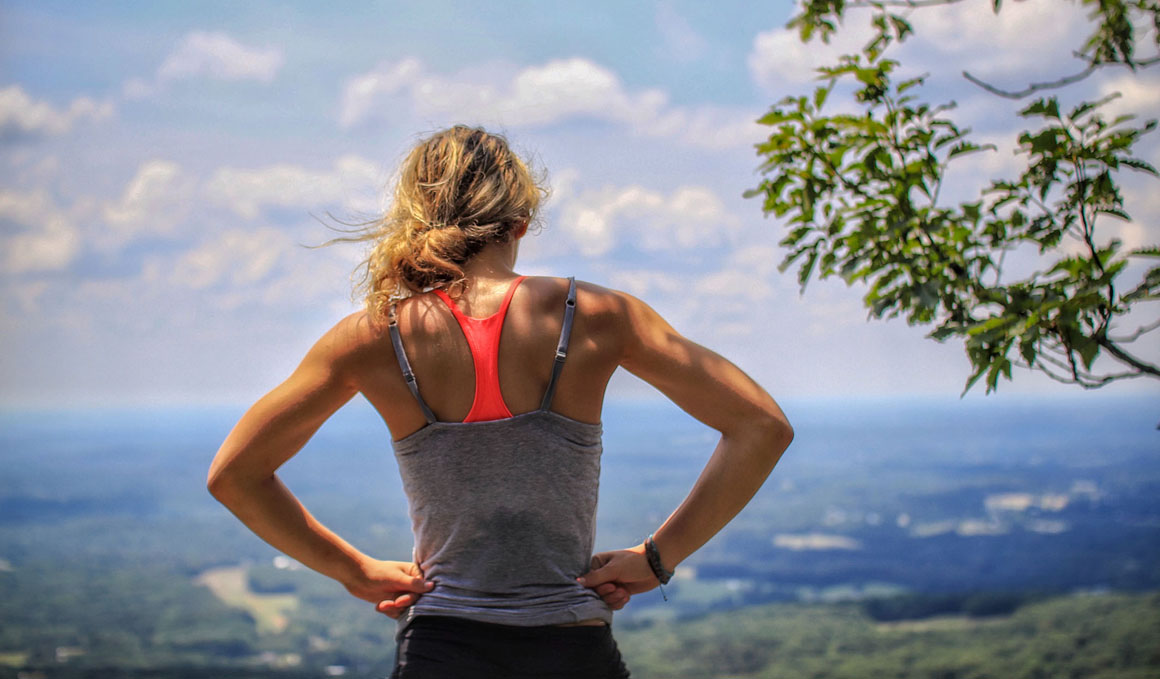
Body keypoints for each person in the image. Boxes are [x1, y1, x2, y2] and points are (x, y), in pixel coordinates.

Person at [207, 125, 793, 678]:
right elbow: (761, 426)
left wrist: (352, 571)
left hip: (440, 648)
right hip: (572, 647)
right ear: (521, 221)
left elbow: (235, 474)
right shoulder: (595, 317)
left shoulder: (370, 336)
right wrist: (658, 558)